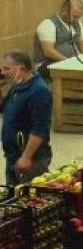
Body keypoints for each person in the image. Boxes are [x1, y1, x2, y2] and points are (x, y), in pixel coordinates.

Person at [1, 50, 53, 187]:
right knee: (12, 200)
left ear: (21, 69)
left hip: (32, 160)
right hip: (12, 156)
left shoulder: (39, 91)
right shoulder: (17, 87)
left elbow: (40, 128)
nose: (3, 72)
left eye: (7, 69)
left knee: (29, 201)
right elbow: (4, 109)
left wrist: (26, 156)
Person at [33, 0, 83, 80]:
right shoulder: (48, 24)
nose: (73, 19)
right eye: (73, 16)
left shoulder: (77, 24)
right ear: (64, 9)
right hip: (47, 65)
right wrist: (67, 62)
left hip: (69, 63)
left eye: (77, 17)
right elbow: (48, 51)